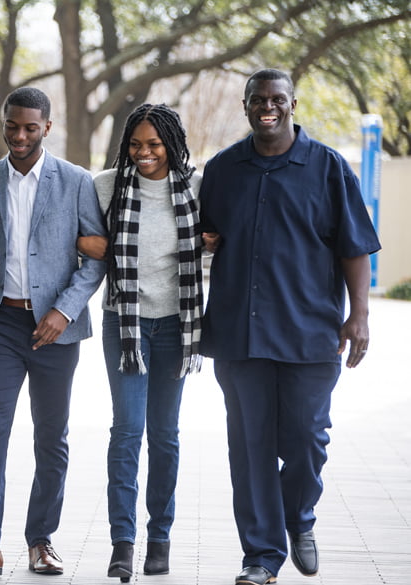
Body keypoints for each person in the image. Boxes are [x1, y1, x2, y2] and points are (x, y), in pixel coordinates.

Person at [198, 69, 381, 585]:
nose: (267, 107)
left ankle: (298, 518)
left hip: (310, 333)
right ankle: (260, 556)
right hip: (240, 334)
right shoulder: (223, 169)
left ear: (293, 103)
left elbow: (354, 247)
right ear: (246, 105)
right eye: (258, 100)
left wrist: (359, 315)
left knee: (306, 440)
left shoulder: (327, 168)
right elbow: (206, 233)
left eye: (277, 99)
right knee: (251, 447)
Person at [0, 87, 107, 576]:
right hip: (0, 326)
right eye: (12, 126)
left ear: (47, 128)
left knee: (50, 437)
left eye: (30, 128)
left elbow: (95, 259)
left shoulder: (76, 181)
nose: (19, 136)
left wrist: (64, 310)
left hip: (56, 329)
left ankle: (41, 541)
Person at [77, 103, 204, 581]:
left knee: (165, 436)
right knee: (127, 432)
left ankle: (161, 538)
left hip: (176, 325)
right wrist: (83, 242)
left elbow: (216, 237)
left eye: (153, 144)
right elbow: (84, 238)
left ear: (171, 143)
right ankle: (122, 543)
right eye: (135, 144)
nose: (144, 153)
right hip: (125, 325)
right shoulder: (106, 185)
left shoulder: (197, 186)